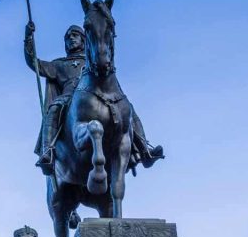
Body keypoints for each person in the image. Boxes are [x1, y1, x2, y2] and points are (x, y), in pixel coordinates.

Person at [25, 21, 163, 175]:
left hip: (98, 96)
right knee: (54, 109)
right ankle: (48, 152)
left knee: (127, 107)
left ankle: (145, 150)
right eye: (68, 37)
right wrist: (28, 37)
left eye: (75, 35)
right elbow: (34, 63)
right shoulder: (58, 64)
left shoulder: (92, 61)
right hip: (69, 97)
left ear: (84, 40)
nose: (71, 38)